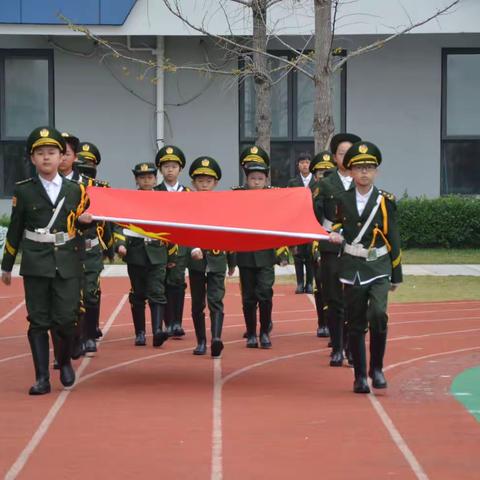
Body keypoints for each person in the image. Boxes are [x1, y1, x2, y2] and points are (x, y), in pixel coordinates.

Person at [1, 126, 92, 395]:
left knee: (65, 319)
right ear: (32, 158)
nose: (47, 158)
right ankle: (42, 377)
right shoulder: (25, 191)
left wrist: (89, 222)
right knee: (39, 320)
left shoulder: (76, 190)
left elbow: (84, 225)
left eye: (52, 153)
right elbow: (16, 229)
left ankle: (64, 361)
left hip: (67, 261)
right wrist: (7, 264)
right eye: (40, 153)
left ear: (61, 156)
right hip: (36, 263)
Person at [329, 141, 402, 393]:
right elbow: (336, 223)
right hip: (352, 267)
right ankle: (360, 376)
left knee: (379, 314)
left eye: (369, 168)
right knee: (356, 322)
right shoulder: (342, 199)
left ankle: (377, 368)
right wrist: (335, 233)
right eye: (359, 168)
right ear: (350, 171)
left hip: (379, 265)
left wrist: (396, 273)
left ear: (376, 172)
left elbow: (393, 237)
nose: (364, 173)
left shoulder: (385, 201)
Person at [232, 147, 289, 349]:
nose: (256, 181)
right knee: (248, 297)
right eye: (253, 178)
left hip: (266, 254)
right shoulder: (237, 195)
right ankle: (251, 334)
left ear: (266, 179)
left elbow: (280, 225)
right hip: (246, 254)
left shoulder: (274, 197)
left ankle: (265, 331)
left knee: (265, 293)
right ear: (247, 178)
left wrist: (282, 253)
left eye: (260, 178)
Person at [115, 162, 175, 347]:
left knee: (157, 292)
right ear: (136, 180)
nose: (146, 181)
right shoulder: (129, 199)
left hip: (157, 252)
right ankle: (140, 332)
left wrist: (171, 255)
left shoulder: (162, 199)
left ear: (155, 179)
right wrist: (120, 245)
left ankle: (157, 330)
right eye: (142, 178)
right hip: (136, 253)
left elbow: (171, 226)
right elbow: (120, 224)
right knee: (138, 294)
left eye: (150, 177)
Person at [314, 133, 361, 367]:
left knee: (353, 298)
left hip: (356, 249)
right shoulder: (325, 183)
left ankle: (352, 348)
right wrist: (328, 232)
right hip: (331, 248)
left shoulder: (363, 182)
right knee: (333, 298)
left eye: (351, 152)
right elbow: (316, 213)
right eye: (342, 153)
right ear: (334, 157)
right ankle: (337, 347)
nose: (347, 157)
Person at [187, 156, 235, 357]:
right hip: (196, 261)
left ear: (215, 183)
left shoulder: (223, 204)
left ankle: (216, 338)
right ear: (193, 183)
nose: (204, 185)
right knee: (198, 303)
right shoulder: (188, 204)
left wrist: (232, 262)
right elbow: (184, 231)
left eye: (208, 181)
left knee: (216, 300)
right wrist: (191, 249)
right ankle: (201, 342)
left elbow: (229, 233)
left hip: (217, 260)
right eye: (200, 181)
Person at [73, 142, 114, 354]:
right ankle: (77, 335)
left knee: (90, 291)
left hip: (91, 247)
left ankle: (89, 334)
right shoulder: (67, 186)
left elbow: (106, 221)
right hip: (71, 248)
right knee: (73, 294)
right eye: (81, 160)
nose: (84, 165)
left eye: (89, 162)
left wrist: (110, 246)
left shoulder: (99, 188)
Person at [154, 146, 190, 338]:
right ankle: (166, 322)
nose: (170, 170)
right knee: (162, 282)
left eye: (174, 166)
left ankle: (177, 322)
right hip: (160, 244)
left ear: (180, 169)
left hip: (181, 245)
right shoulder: (155, 192)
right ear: (160, 169)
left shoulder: (187, 193)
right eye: (166, 166)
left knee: (177, 282)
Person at [309, 151, 335, 338]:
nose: (323, 175)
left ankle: (335, 324)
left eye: (328, 171)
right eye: (320, 172)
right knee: (320, 282)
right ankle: (322, 321)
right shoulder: (313, 192)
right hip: (318, 239)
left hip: (338, 239)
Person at [287, 152, 316, 294]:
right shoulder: (293, 182)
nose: (305, 165)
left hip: (311, 222)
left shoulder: (317, 182)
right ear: (298, 165)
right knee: (298, 254)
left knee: (310, 254)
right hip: (297, 222)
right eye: (302, 162)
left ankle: (310, 283)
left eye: (307, 162)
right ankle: (299, 283)